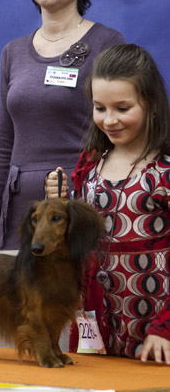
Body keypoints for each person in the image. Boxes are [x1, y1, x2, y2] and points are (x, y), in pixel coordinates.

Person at [0, 0, 125, 254]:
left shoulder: (106, 43)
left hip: (77, 213)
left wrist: (83, 196)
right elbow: (3, 141)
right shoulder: (13, 52)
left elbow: (122, 135)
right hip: (21, 215)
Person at [46, 44, 170, 364]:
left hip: (156, 333)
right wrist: (60, 207)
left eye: (123, 108)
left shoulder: (164, 170)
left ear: (151, 102)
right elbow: (80, 238)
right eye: (100, 108)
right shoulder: (91, 163)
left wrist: (164, 328)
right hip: (96, 327)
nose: (109, 119)